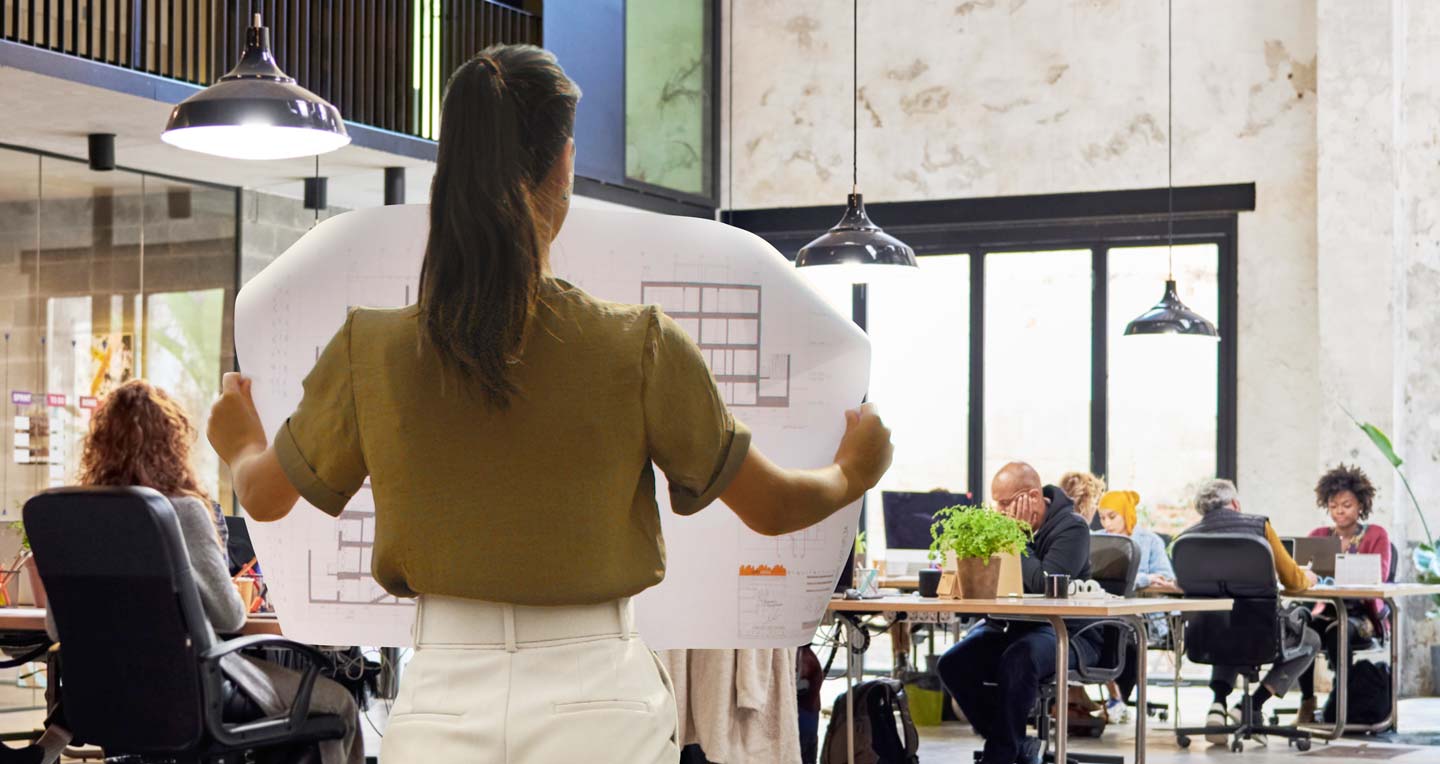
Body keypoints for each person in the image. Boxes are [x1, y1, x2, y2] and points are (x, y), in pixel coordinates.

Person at [205, 44, 895, 764]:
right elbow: (774, 507)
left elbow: (265, 495)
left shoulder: (370, 348)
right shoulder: (639, 344)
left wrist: (240, 440)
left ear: (450, 172)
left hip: (441, 698)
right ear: (563, 166)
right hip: (601, 699)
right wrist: (854, 470)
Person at [27, 380, 363, 764]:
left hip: (105, 696)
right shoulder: (182, 511)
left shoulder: (75, 520)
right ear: (173, 445)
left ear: (98, 445)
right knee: (339, 704)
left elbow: (56, 629)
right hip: (194, 694)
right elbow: (230, 617)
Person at [935, 462, 1098, 764]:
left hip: (1067, 632)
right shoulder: (1000, 527)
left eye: (1005, 503)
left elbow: (1045, 585)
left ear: (1033, 497)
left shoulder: (1073, 528)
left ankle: (1000, 756)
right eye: (996, 503)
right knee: (953, 663)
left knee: (1019, 658)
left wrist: (1015, 536)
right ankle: (1017, 746)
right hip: (1014, 627)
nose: (999, 511)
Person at [1179, 479, 1319, 746]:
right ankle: (1251, 705)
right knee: (1310, 640)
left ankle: (1217, 706)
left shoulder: (1187, 538)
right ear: (1235, 503)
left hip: (1207, 633)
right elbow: (1293, 581)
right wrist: (1308, 577)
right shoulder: (1259, 527)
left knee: (1225, 622)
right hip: (1261, 632)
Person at [1296, 464, 1392, 724]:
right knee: (1300, 630)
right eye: (1334, 505)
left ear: (1360, 504)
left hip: (1361, 615)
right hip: (1324, 611)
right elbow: (1301, 574)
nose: (1339, 511)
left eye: (1347, 505)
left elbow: (1379, 575)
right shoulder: (1318, 536)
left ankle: (1340, 701)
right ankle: (1307, 700)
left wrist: (1336, 572)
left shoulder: (1376, 535)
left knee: (1338, 632)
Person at [1095, 490, 1175, 722]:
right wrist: (1145, 578)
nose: (1106, 524)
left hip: (1143, 616)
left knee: (1127, 636)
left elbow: (1165, 578)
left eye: (1112, 517)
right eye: (1102, 517)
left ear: (1127, 514)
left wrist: (1141, 580)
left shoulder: (1150, 541)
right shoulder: (1096, 539)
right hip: (1103, 610)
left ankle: (1118, 700)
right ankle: (1116, 700)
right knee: (1105, 631)